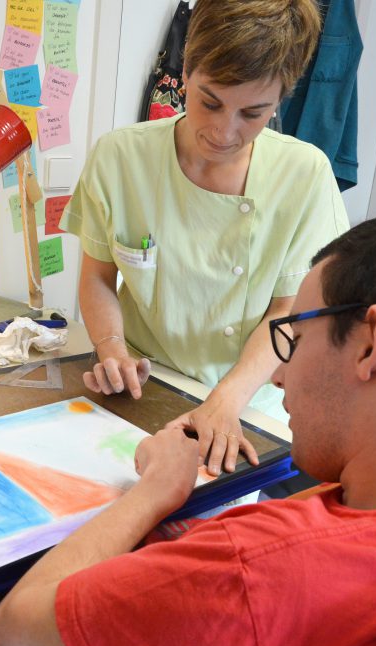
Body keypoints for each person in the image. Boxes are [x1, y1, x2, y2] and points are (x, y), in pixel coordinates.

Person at [0, 211, 376, 646]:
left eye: (294, 340)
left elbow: (16, 629)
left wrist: (152, 492)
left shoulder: (252, 576)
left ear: (370, 344)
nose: (278, 379)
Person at [61, 0, 347, 479]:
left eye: (253, 113)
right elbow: (98, 276)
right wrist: (112, 348)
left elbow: (287, 312)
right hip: (144, 382)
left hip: (247, 396)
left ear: (282, 99)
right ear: (187, 69)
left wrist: (225, 402)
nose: (223, 130)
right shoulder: (121, 157)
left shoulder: (305, 174)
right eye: (209, 101)